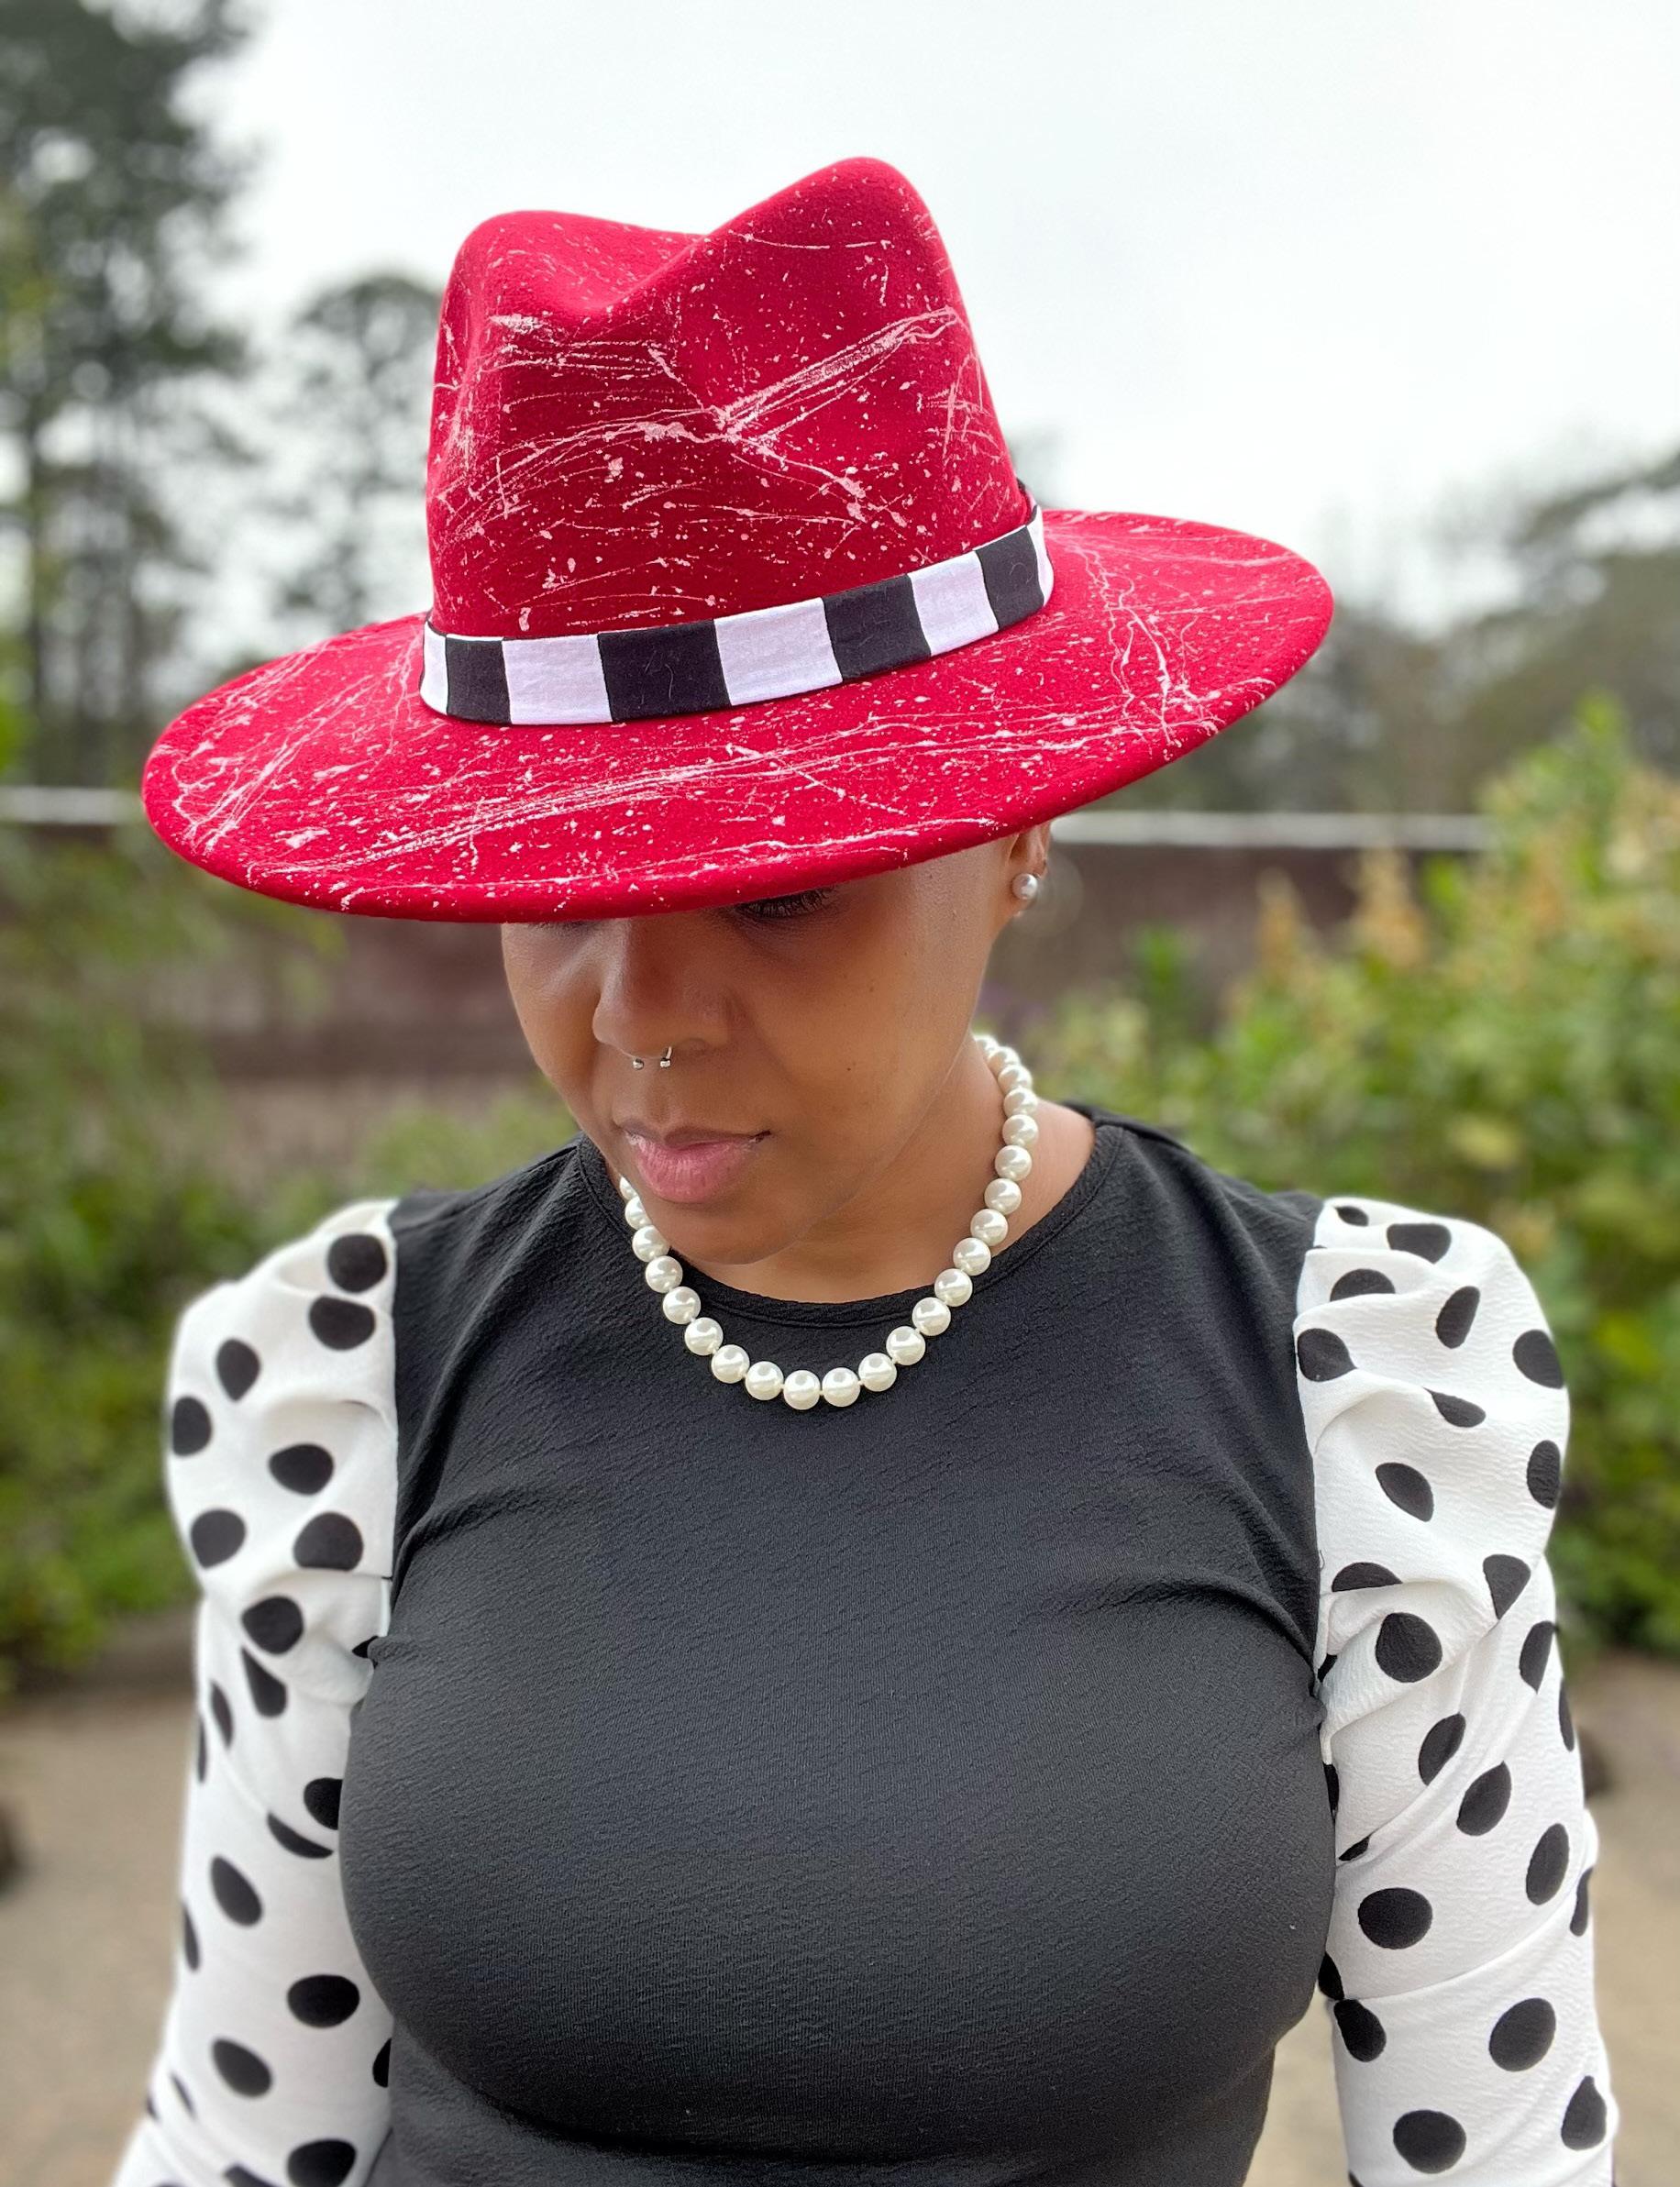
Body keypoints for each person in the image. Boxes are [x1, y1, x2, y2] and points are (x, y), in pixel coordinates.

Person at [116, 157, 1617, 2187]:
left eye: (780, 890)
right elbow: (241, 2127)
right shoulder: (354, 1368)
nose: (641, 1013)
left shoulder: (1350, 1377)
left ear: (1017, 834)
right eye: (556, 886)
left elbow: (1494, 2144)